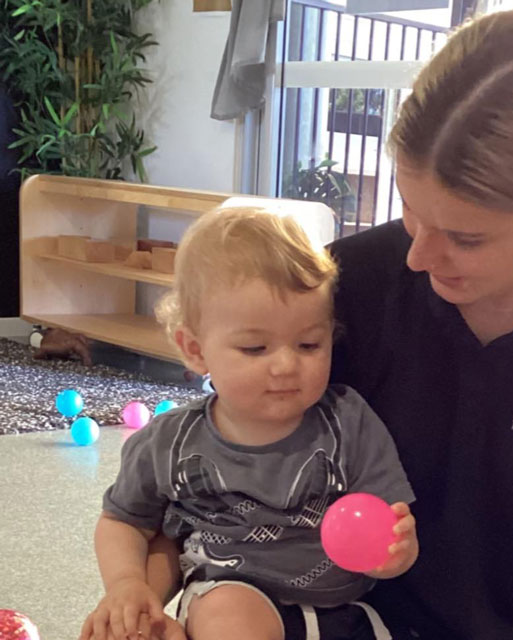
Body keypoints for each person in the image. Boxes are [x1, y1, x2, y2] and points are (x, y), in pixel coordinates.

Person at [86, 8, 513, 640]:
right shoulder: (348, 289)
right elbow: (202, 488)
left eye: (465, 238)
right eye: (411, 209)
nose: (420, 254)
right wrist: (140, 600)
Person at [80, 208, 417, 640]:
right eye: (255, 348)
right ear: (195, 349)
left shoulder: (347, 420)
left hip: (343, 608)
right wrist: (127, 584)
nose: (285, 365)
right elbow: (123, 520)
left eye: (309, 343)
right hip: (232, 592)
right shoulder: (170, 441)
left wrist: (395, 553)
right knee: (228, 616)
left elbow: (386, 518)